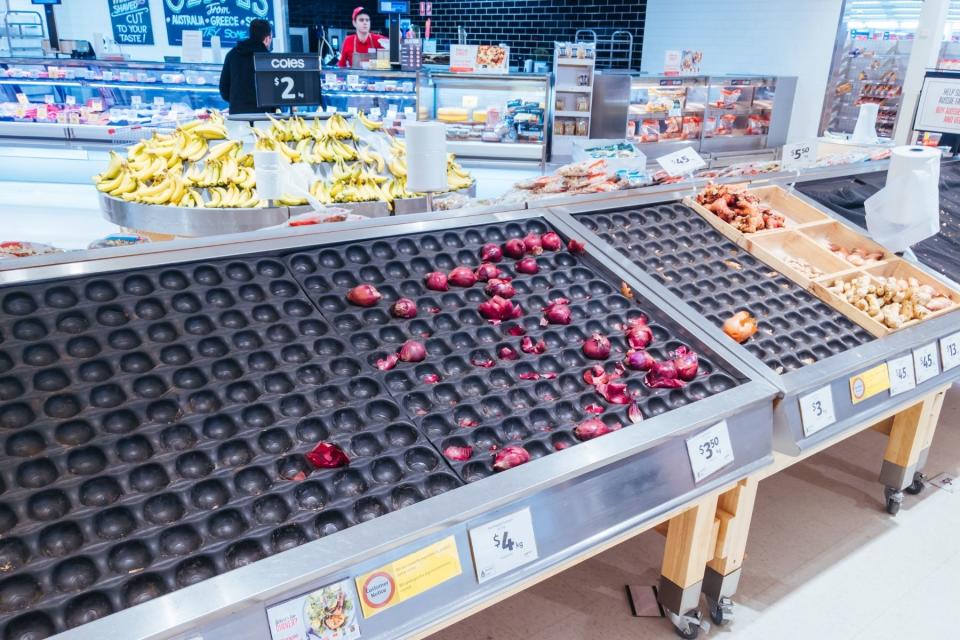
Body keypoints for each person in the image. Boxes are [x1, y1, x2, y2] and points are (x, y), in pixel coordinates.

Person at [219, 19, 273, 114]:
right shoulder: (270, 59)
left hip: (238, 114)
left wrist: (237, 102)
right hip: (265, 116)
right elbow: (275, 91)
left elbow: (223, 88)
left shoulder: (232, 54)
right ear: (267, 39)